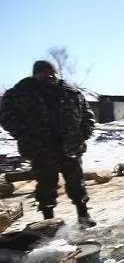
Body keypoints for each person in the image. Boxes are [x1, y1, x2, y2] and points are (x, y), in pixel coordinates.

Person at [0, 61, 96, 227]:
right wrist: (26, 136)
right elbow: (7, 118)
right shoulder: (19, 94)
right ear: (35, 74)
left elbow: (87, 116)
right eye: (43, 72)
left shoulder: (71, 93)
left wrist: (82, 135)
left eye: (51, 72)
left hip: (70, 147)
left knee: (76, 183)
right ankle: (49, 222)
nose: (49, 75)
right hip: (41, 150)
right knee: (46, 186)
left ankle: (83, 216)